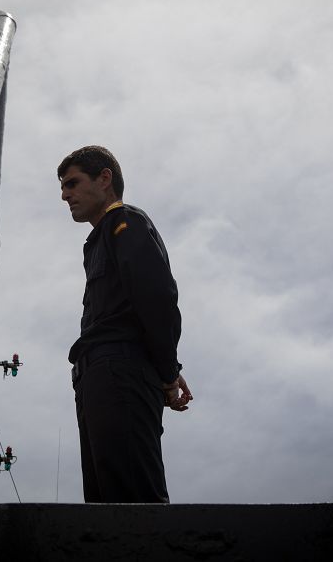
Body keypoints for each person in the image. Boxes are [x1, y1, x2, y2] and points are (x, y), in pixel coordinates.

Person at [58, 145, 192, 504]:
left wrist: (166, 372)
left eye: (72, 183)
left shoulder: (125, 222)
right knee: (104, 505)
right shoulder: (99, 239)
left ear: (105, 179)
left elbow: (156, 298)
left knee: (133, 504)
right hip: (100, 378)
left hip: (118, 372)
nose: (64, 194)